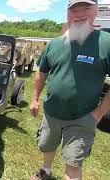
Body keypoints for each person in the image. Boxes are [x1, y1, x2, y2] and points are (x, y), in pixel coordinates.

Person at [30, 0, 110, 179]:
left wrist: (98, 114)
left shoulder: (106, 43)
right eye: (74, 10)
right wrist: (35, 99)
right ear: (67, 14)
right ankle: (46, 170)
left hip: (83, 117)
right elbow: (41, 74)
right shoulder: (54, 44)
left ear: (96, 11)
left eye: (86, 8)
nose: (80, 14)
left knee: (73, 163)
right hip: (51, 113)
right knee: (46, 145)